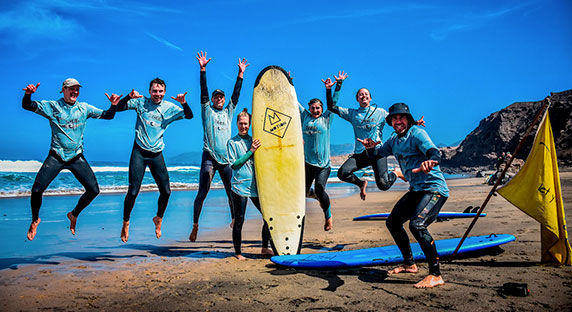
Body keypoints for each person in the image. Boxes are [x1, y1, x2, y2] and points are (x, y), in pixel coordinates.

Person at [358, 102, 449, 289]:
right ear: (391, 122)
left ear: (408, 119)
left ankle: (436, 274)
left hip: (434, 189)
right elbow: (377, 154)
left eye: (402, 117)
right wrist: (369, 148)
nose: (398, 121)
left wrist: (431, 161)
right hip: (416, 190)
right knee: (392, 222)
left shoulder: (417, 133)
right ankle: (409, 264)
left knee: (417, 225)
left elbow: (433, 151)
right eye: (395, 118)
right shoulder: (394, 141)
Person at [22, 78, 120, 240]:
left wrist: (114, 105)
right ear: (63, 90)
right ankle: (35, 220)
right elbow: (27, 105)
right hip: (57, 156)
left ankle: (74, 214)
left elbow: (108, 116)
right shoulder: (52, 107)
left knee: (94, 190)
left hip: (76, 156)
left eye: (77, 89)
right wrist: (28, 94)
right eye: (71, 89)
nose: (74, 92)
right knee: (37, 190)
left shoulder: (84, 108)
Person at [116, 78, 193, 242]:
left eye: (160, 91)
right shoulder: (140, 103)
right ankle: (126, 222)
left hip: (157, 153)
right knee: (133, 191)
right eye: (154, 91)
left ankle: (158, 218)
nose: (157, 94)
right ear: (150, 91)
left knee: (166, 191)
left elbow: (189, 115)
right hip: (139, 152)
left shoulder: (169, 108)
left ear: (164, 92)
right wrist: (128, 97)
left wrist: (184, 102)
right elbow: (119, 107)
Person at [328, 78, 424, 200]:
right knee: (342, 173)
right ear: (357, 99)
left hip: (378, 152)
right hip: (361, 154)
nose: (363, 96)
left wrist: (414, 122)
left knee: (383, 185)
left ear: (370, 98)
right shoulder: (352, 114)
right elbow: (331, 107)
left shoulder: (380, 113)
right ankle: (361, 184)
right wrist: (335, 86)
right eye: (360, 94)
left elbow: (396, 121)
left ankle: (396, 172)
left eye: (366, 94)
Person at [190, 51, 248, 242]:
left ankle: (233, 219)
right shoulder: (207, 111)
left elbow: (236, 95)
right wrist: (203, 69)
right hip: (209, 156)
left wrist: (240, 74)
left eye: (221, 97)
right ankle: (195, 225)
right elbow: (203, 91)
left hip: (226, 160)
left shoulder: (229, 112)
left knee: (232, 191)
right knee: (203, 191)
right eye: (216, 97)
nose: (219, 99)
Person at [298, 72, 348, 231]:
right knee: (303, 192)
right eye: (312, 108)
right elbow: (293, 102)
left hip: (323, 165)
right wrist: (288, 84)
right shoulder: (304, 116)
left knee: (320, 188)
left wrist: (334, 87)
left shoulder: (326, 118)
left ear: (321, 108)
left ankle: (328, 217)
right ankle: (317, 197)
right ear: (309, 108)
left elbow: (333, 102)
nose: (315, 110)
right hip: (307, 163)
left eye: (318, 108)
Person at [227, 109, 273, 259]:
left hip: (255, 187)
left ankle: (265, 248)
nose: (243, 126)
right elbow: (234, 164)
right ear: (237, 124)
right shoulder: (232, 143)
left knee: (268, 217)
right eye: (241, 123)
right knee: (239, 220)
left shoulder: (255, 140)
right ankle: (238, 253)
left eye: (246, 124)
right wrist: (251, 151)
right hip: (239, 187)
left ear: (250, 124)